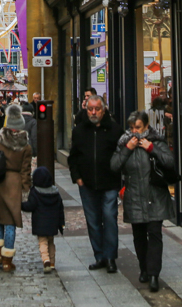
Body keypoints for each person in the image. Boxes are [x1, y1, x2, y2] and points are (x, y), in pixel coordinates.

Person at [111, 111, 176, 292]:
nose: (134, 132)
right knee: (139, 236)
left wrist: (151, 149)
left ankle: (154, 274)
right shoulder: (124, 142)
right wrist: (127, 149)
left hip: (155, 196)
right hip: (135, 197)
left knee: (155, 234)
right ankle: (144, 269)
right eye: (132, 128)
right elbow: (114, 165)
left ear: (146, 126)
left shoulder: (156, 140)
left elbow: (170, 162)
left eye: (138, 128)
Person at [68, 94, 122, 273]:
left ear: (103, 109)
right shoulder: (80, 131)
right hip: (87, 184)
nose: (93, 112)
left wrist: (121, 177)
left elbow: (122, 156)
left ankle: (110, 257)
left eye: (97, 109)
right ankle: (100, 256)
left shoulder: (114, 130)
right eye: (90, 109)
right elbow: (73, 156)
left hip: (110, 182)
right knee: (93, 221)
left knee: (109, 218)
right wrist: (77, 177)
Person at [0, 103, 33, 273]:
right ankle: (7, 260)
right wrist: (26, 190)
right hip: (13, 182)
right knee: (10, 221)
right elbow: (26, 171)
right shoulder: (25, 146)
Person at [21, 165, 64, 274]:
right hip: (52, 224)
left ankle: (46, 260)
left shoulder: (35, 192)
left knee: (42, 243)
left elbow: (30, 206)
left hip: (40, 224)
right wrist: (61, 223)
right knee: (51, 242)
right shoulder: (55, 192)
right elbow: (60, 208)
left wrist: (20, 205)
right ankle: (53, 262)